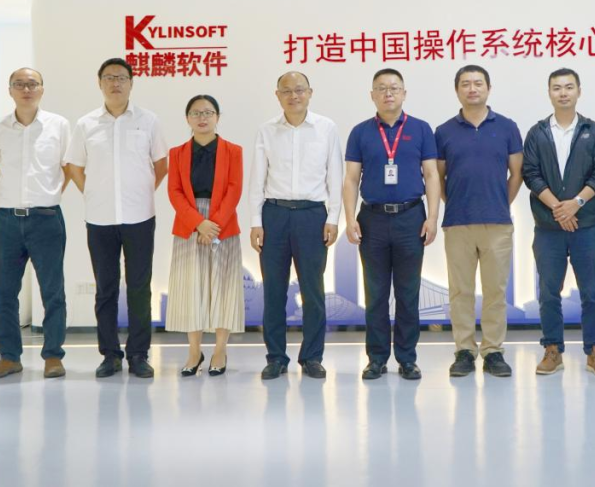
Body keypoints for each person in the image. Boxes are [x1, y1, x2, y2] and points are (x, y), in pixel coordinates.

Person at [66, 58, 168, 379]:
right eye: (109, 78)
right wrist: (92, 192)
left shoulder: (148, 121)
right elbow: (74, 166)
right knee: (105, 289)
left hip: (140, 217)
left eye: (122, 78)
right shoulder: (86, 124)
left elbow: (161, 164)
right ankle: (109, 354)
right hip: (99, 219)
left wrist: (141, 192)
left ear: (131, 83)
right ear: (100, 83)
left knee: (139, 287)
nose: (115, 83)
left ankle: (138, 354)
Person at [343, 68, 441, 381]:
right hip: (371, 219)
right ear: (372, 95)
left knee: (408, 294)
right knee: (375, 294)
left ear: (404, 93)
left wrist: (432, 217)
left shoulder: (421, 129)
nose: (388, 93)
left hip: (411, 217)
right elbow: (351, 179)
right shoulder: (360, 132)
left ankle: (407, 359)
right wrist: (349, 219)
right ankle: (376, 359)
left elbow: (431, 175)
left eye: (394, 88)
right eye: (382, 88)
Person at [248, 72, 343, 380]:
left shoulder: (326, 128)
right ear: (277, 95)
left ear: (310, 93)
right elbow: (257, 179)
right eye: (286, 91)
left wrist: (333, 218)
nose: (294, 96)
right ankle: (276, 357)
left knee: (313, 291)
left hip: (312, 215)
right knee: (274, 291)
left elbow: (335, 176)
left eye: (299, 90)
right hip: (274, 215)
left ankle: (312, 357)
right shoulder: (267, 130)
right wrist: (255, 221)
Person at [522, 68, 595, 377]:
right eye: (557, 88)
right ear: (549, 93)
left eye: (569, 87)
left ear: (579, 91)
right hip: (548, 228)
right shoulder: (537, 133)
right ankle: (552, 350)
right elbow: (531, 174)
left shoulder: (594, 131)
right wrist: (558, 209)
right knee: (549, 292)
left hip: (586, 225)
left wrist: (576, 204)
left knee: (591, 292)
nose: (563, 93)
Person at [0, 68, 72, 381]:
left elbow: (68, 169)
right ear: (10, 90)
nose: (26, 89)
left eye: (32, 84)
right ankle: (9, 357)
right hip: (7, 220)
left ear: (42, 89)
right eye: (19, 84)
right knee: (4, 294)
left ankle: (53, 356)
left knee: (53, 292)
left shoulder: (58, 125)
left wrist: (46, 196)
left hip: (46, 219)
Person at [435, 65, 523, 378]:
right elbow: (437, 178)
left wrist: (500, 202)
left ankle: (493, 351)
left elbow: (517, 173)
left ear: (488, 88)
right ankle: (464, 350)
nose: (472, 89)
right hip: (458, 222)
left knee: (495, 291)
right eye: (465, 84)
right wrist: (455, 203)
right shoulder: (444, 131)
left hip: (497, 223)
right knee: (460, 291)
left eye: (478, 83)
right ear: (457, 90)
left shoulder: (507, 127)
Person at [166, 95, 245, 377]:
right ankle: (193, 351)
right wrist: (199, 223)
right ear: (187, 118)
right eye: (196, 113)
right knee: (191, 288)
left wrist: (214, 224)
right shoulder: (176, 153)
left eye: (208, 112)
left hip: (223, 224)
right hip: (189, 225)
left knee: (223, 288)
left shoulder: (233, 151)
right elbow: (174, 191)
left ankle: (220, 350)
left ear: (217, 117)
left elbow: (234, 190)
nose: (202, 118)